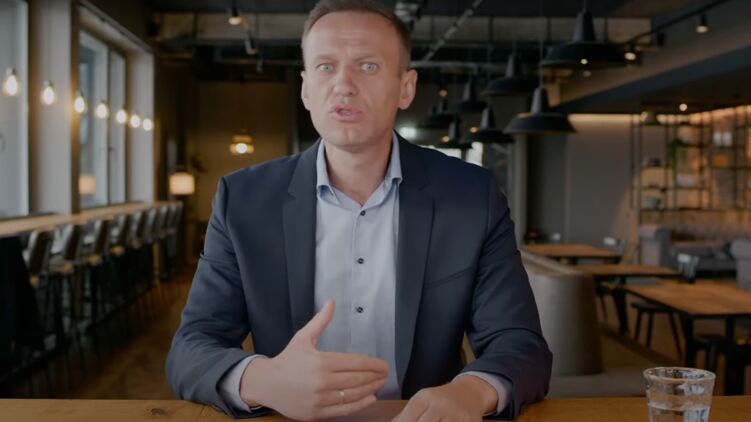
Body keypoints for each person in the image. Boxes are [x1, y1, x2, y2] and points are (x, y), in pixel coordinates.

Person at [166, 0, 552, 420]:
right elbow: (192, 347)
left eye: (367, 66)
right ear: (306, 89)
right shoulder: (243, 199)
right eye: (325, 67)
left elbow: (520, 344)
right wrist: (264, 380)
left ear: (406, 88)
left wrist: (473, 391)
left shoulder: (471, 196)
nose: (344, 85)